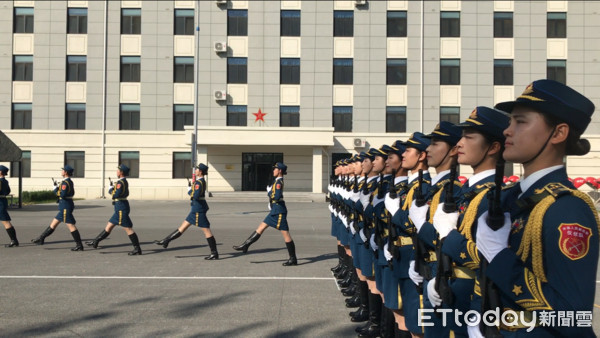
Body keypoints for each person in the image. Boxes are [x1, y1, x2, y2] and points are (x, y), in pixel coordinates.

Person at [475, 79, 599, 336]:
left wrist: (500, 257)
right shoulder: (510, 198)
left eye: (520, 122)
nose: (507, 131)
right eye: (510, 122)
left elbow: (572, 317)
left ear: (558, 133)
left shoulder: (567, 209)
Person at [429, 107, 510, 337]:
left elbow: (486, 258)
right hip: (452, 290)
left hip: (471, 298)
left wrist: (448, 235)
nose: (460, 143)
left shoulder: (495, 198)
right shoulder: (468, 191)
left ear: (494, 147)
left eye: (469, 136)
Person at [232, 162, 297, 266]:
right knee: (261, 227)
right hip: (275, 210)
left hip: (279, 211)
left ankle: (293, 258)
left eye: (275, 169)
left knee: (286, 235)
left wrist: (269, 192)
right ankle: (245, 245)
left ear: (279, 170)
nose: (273, 170)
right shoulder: (276, 181)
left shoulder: (279, 182)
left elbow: (276, 196)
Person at [154, 163, 219, 260]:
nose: (195, 171)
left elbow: (195, 196)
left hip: (198, 210)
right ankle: (166, 240)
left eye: (197, 170)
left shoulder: (199, 182)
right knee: (182, 227)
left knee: (207, 231)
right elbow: (193, 193)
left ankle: (214, 253)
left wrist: (190, 190)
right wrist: (190, 189)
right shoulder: (199, 182)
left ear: (200, 171)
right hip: (195, 210)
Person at [86, 164, 142, 256]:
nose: (117, 172)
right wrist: (113, 188)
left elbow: (116, 194)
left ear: (121, 172)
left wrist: (110, 190)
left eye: (118, 170)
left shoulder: (120, 183)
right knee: (109, 226)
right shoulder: (122, 182)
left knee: (128, 228)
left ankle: (137, 249)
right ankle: (95, 241)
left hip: (121, 207)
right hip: (120, 207)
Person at [31, 165, 83, 251]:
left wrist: (55, 190)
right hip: (65, 205)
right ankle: (41, 238)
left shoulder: (65, 183)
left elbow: (62, 194)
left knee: (71, 225)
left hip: (65, 206)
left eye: (63, 170)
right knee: (54, 223)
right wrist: (57, 187)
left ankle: (79, 245)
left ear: (65, 172)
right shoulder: (69, 181)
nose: (62, 171)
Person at [0, 165, 19, 247]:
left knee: (6, 222)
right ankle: (14, 240)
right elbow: (8, 191)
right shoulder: (5, 181)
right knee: (6, 221)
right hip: (2, 201)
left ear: (0, 172)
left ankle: (14, 240)